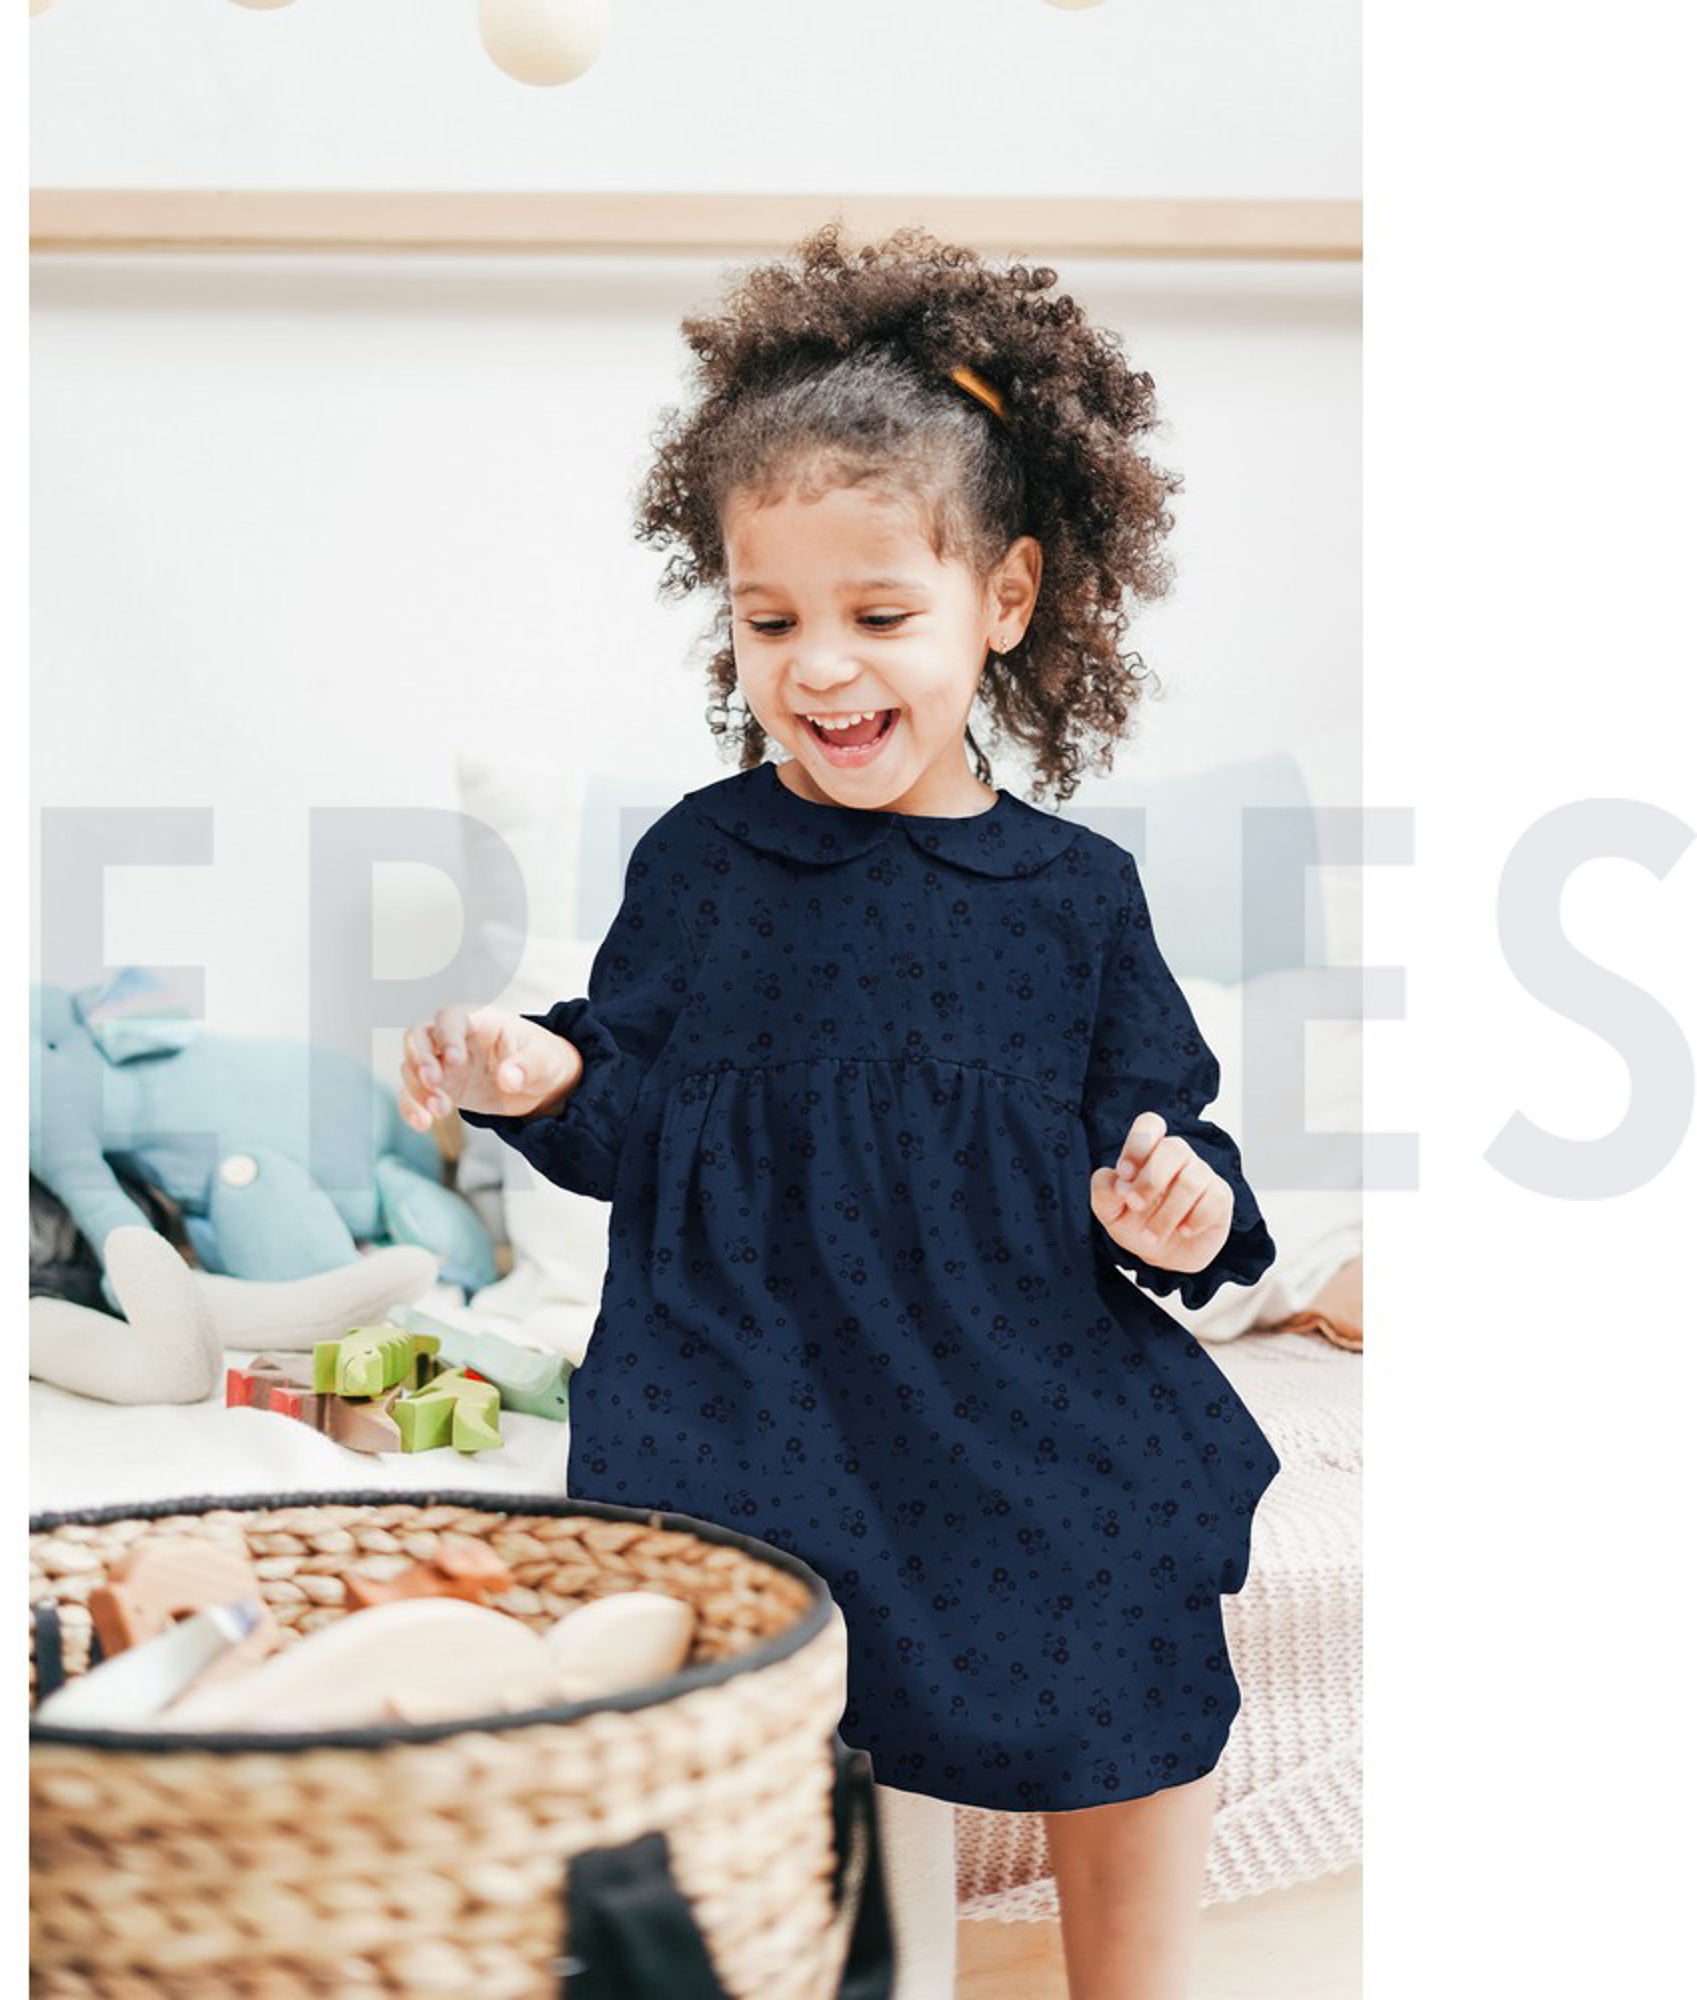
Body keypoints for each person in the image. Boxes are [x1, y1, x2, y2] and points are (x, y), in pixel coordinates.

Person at [399, 224, 1281, 2000]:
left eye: (879, 617)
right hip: (752, 1381)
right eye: (770, 619)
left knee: (1130, 1565)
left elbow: (1166, 1139)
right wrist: (537, 1077)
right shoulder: (704, 863)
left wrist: (1178, 1203)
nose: (817, 667)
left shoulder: (1074, 897)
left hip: (1004, 1367)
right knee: (741, 1604)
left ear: (1005, 601)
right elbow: (628, 1106)